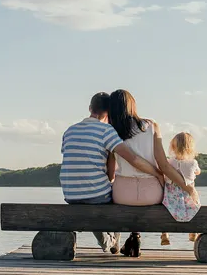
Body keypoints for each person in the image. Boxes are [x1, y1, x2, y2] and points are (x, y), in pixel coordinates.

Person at [61, 92, 165, 254]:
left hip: (70, 193)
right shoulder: (106, 130)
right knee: (112, 197)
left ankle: (114, 241)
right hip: (97, 194)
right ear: (109, 111)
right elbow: (132, 159)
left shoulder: (69, 131)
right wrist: (157, 173)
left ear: (90, 108)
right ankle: (111, 241)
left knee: (102, 195)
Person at [107, 89, 198, 256]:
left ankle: (131, 238)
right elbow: (164, 165)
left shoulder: (110, 131)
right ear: (132, 105)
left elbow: (111, 173)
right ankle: (135, 236)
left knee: (119, 195)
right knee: (153, 193)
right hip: (151, 193)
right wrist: (188, 188)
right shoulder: (150, 126)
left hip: (122, 194)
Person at [160, 132, 202, 245]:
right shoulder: (193, 162)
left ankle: (165, 234)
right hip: (188, 194)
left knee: (165, 211)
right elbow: (198, 172)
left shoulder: (169, 162)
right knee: (194, 207)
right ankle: (193, 231)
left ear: (173, 147)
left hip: (171, 195)